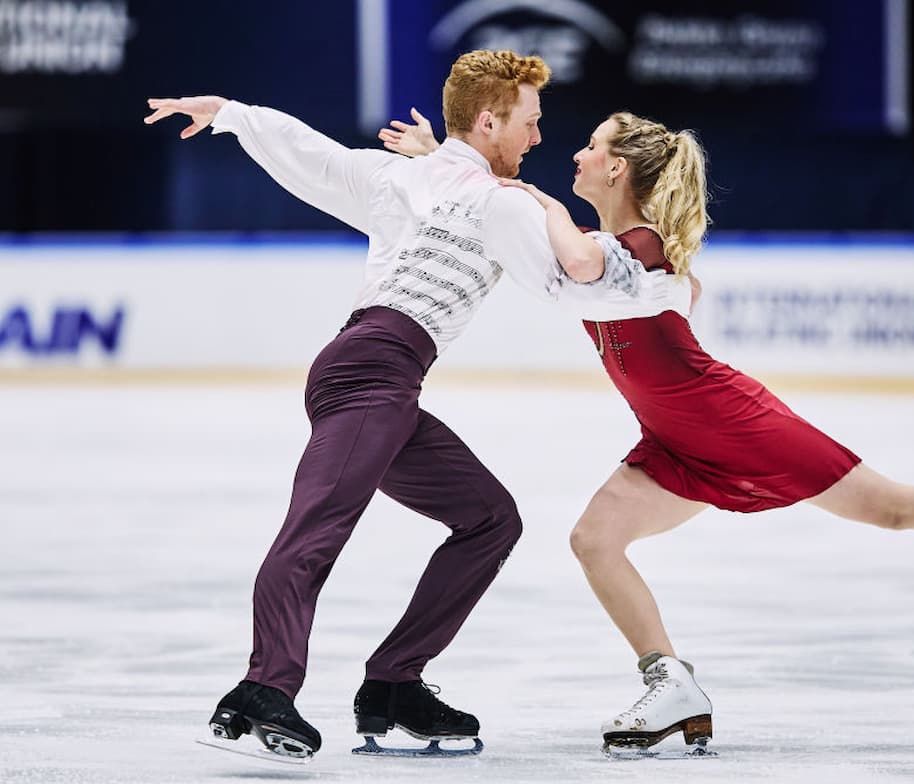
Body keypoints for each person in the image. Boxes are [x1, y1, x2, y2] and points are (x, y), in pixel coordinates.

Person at [383, 110, 914, 755]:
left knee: (892, 508)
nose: (574, 153)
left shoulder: (640, 246)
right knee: (593, 540)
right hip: (673, 444)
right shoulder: (619, 249)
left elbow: (577, 257)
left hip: (735, 423)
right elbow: (533, 233)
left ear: (615, 169)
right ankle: (670, 683)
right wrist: (451, 167)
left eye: (588, 145)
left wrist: (532, 196)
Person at [142, 50, 694, 760]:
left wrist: (233, 116)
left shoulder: (403, 175)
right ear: (490, 120)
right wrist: (655, 278)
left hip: (381, 376)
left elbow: (315, 158)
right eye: (529, 123)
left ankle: (394, 683)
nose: (538, 139)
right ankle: (263, 689)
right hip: (372, 369)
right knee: (316, 530)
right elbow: (571, 283)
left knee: (489, 519)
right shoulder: (498, 201)